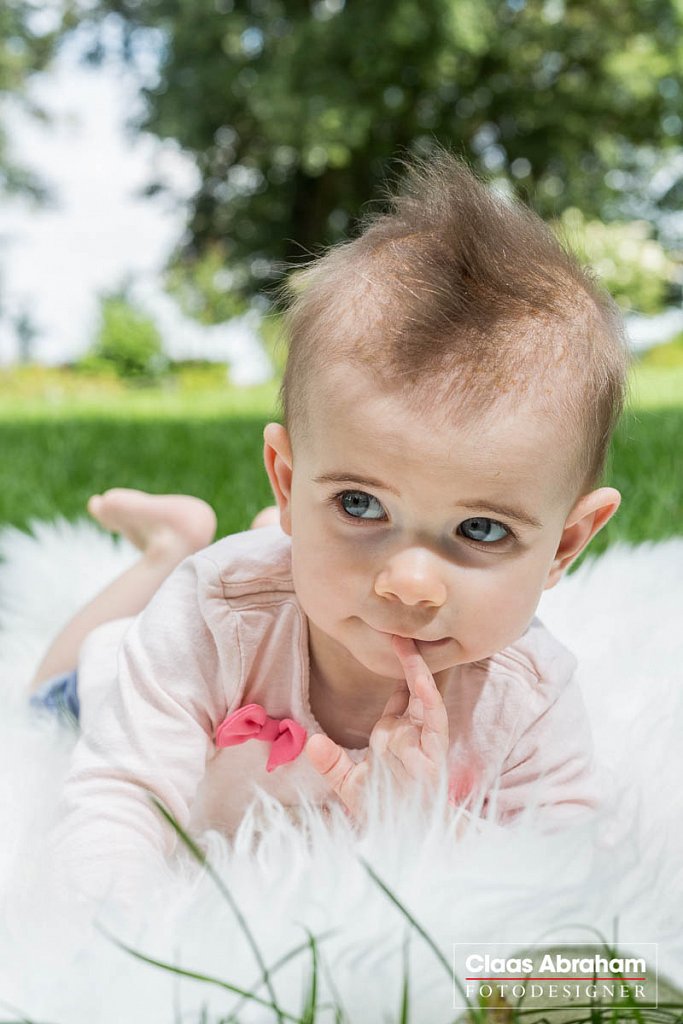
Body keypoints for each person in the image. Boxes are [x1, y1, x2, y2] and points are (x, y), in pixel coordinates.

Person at [31, 150, 629, 909]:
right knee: (47, 693)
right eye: (359, 504)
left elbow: (565, 885)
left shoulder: (528, 701)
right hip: (127, 678)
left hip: (293, 575)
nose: (408, 584)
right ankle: (165, 551)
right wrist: (113, 947)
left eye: (479, 528)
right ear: (287, 482)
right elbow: (116, 800)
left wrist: (415, 826)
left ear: (566, 544)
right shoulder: (213, 616)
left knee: (311, 572)